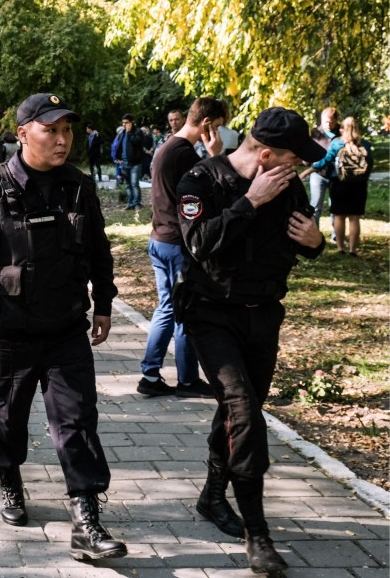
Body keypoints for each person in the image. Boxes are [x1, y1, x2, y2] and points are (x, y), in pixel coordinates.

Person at [0, 93, 127, 561]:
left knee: (77, 421)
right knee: (8, 417)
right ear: (23, 134)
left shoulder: (79, 187)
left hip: (65, 330)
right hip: (10, 333)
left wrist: (104, 302)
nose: (62, 140)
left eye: (67, 131)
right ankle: (9, 479)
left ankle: (86, 520)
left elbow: (98, 250)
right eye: (51, 130)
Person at [176, 107, 325, 574]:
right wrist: (250, 202)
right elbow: (198, 243)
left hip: (264, 316)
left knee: (239, 412)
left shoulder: (287, 184)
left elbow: (303, 239)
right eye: (291, 159)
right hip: (212, 315)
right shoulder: (200, 180)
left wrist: (316, 241)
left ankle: (212, 495)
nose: (297, 168)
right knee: (243, 412)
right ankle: (256, 534)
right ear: (265, 154)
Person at [138, 97, 228, 399]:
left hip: (160, 238)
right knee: (183, 311)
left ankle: (151, 375)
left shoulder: (168, 147)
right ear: (206, 124)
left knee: (166, 307)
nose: (219, 133)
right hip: (177, 243)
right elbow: (208, 195)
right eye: (218, 127)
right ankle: (186, 380)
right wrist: (216, 157)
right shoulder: (184, 154)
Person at [307, 116, 373, 255]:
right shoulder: (365, 144)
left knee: (339, 216)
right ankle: (353, 249)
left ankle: (340, 247)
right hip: (359, 185)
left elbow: (325, 161)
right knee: (354, 218)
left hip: (339, 184)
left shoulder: (337, 143)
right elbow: (370, 164)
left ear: (342, 129)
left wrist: (310, 170)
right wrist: (363, 178)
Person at [299, 107, 341, 228]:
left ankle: (336, 235)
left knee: (335, 207)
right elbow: (308, 151)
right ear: (321, 120)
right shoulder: (315, 133)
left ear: (336, 121)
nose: (328, 124)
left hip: (336, 175)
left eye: (331, 121)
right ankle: (315, 231)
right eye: (326, 121)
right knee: (315, 206)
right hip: (318, 174)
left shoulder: (341, 132)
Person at [110, 114, 144, 209]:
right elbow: (119, 146)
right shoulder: (122, 133)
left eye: (126, 122)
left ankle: (137, 203)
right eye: (123, 123)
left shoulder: (138, 132)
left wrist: (129, 133)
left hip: (135, 163)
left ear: (132, 122)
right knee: (128, 184)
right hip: (124, 163)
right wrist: (117, 157)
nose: (124, 125)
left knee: (134, 184)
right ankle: (130, 203)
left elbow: (137, 142)